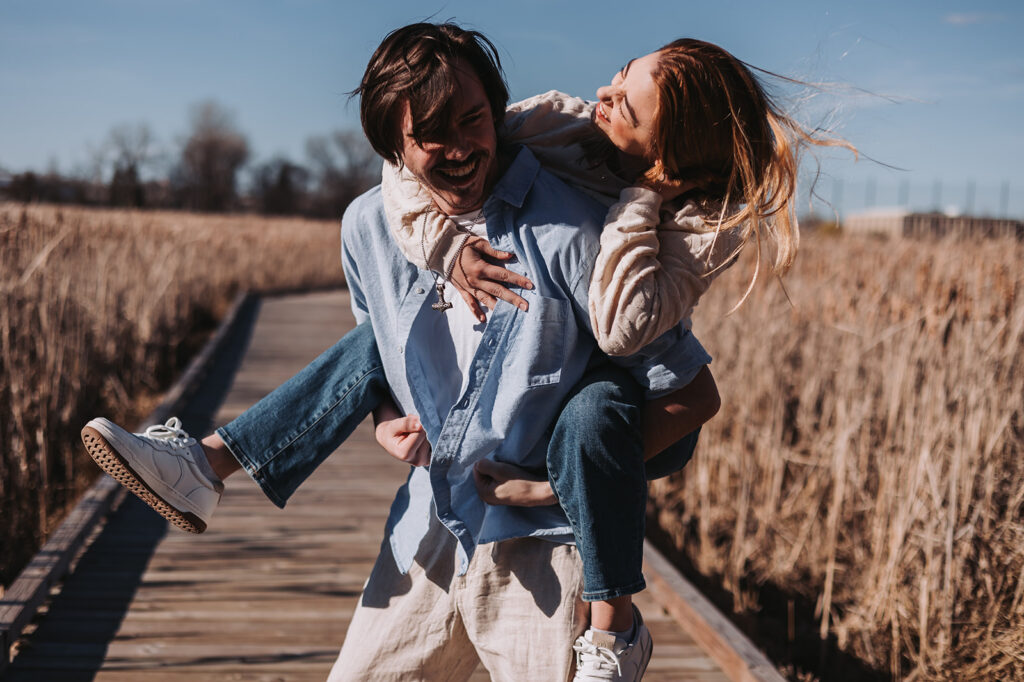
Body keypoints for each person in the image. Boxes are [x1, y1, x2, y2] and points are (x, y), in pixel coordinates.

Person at [81, 24, 846, 681]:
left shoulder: (580, 231)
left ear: (499, 117)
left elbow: (680, 389)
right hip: (427, 527)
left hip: (540, 554)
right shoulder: (369, 229)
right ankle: (204, 466)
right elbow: (372, 353)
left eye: (473, 120)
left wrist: (555, 485)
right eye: (430, 134)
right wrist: (383, 419)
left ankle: (617, 630)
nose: (458, 147)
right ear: (395, 146)